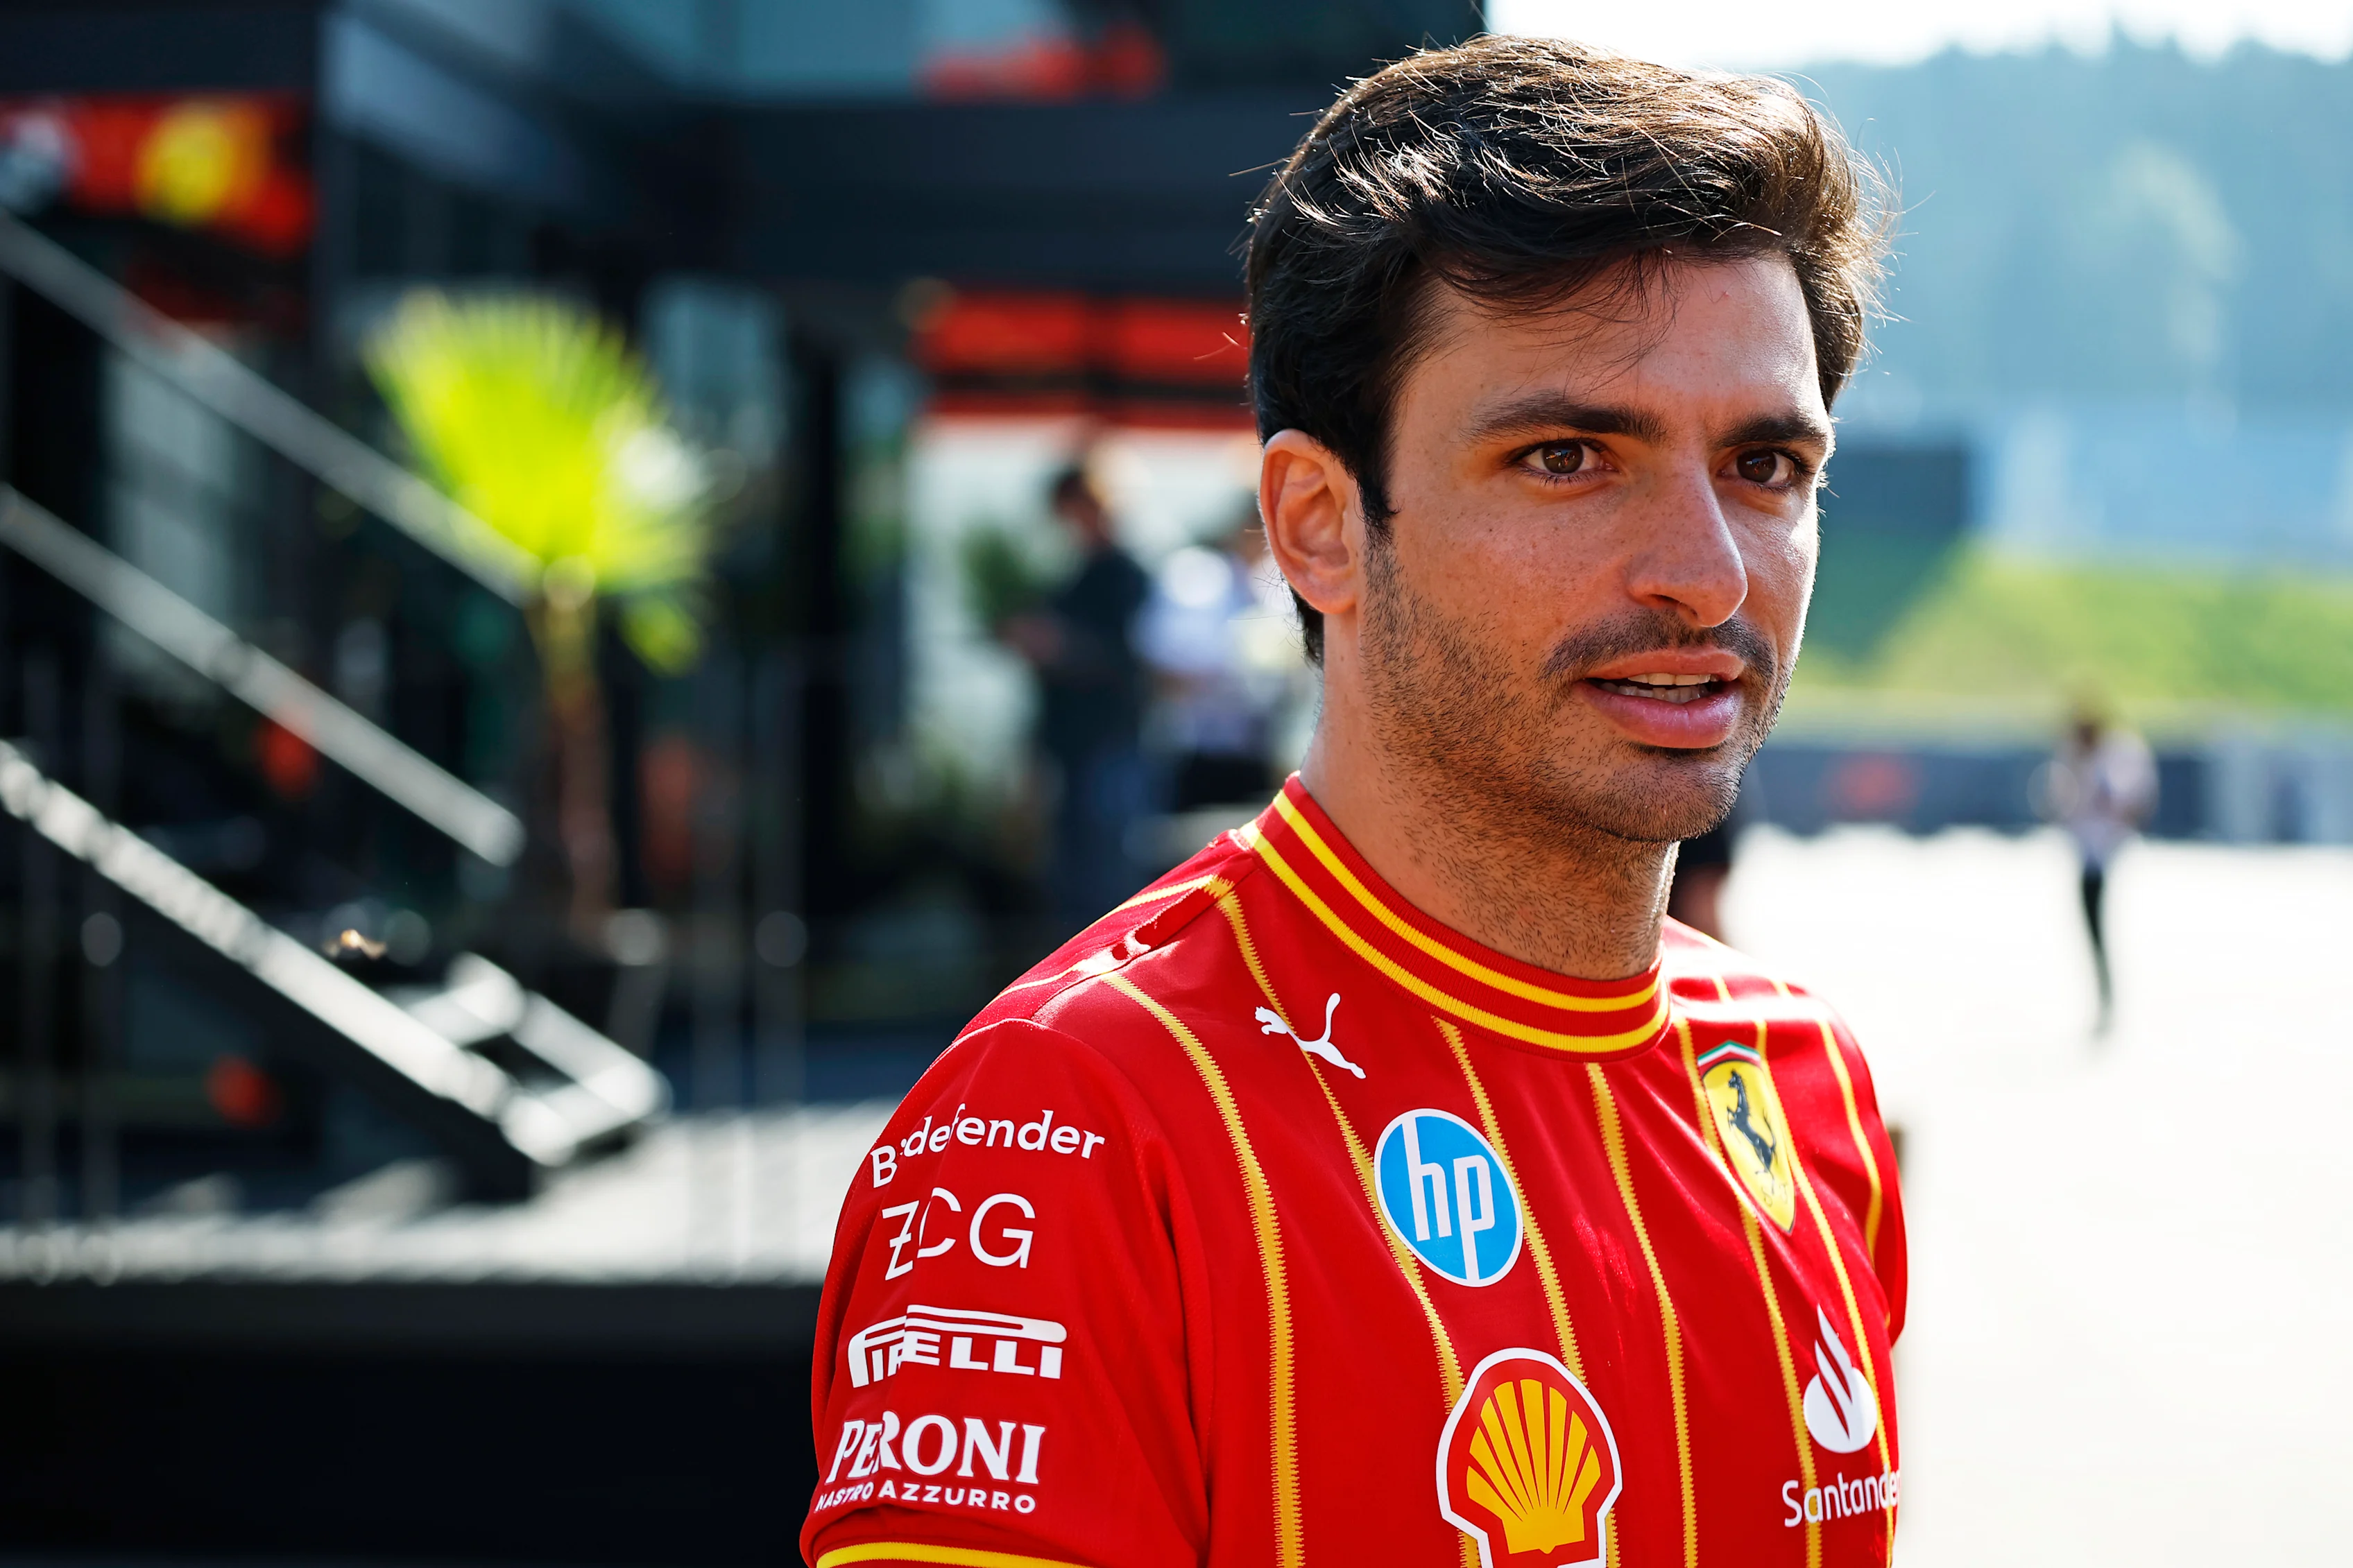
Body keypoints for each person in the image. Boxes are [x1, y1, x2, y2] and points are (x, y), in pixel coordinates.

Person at [805, 37, 1904, 1568]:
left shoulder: (1811, 1088)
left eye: (1765, 462)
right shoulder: (1067, 1127)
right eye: (1569, 455)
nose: (1706, 570)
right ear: (1317, 526)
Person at [1000, 466, 1154, 931]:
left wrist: (1061, 646)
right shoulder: (1071, 575)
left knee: (1105, 889)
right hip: (1070, 747)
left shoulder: (1127, 576)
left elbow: (1135, 663)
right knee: (1070, 884)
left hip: (1110, 745)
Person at [1134, 515, 1289, 811]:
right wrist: (1232, 667)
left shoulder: (1279, 591)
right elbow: (1161, 662)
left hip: (1259, 752)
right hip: (1196, 754)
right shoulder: (1197, 582)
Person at [2046, 703, 2155, 1030]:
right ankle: (2104, 1001)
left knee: (2097, 931)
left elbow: (2128, 801)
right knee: (2094, 933)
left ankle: (2107, 1003)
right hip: (2090, 854)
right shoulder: (2075, 758)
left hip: (2104, 855)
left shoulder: (2117, 755)